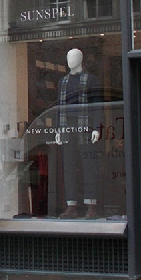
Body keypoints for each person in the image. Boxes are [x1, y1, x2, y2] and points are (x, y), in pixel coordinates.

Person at [55, 49, 102, 219]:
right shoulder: (63, 82)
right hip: (68, 128)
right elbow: (59, 108)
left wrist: (97, 127)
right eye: (68, 57)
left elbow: (97, 104)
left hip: (86, 127)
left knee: (89, 166)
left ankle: (91, 205)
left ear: (80, 59)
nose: (70, 61)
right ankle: (71, 205)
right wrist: (58, 130)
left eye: (73, 57)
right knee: (69, 168)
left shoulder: (91, 79)